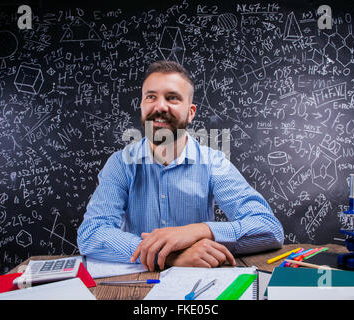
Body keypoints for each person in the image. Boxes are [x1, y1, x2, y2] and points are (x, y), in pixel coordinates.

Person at [77, 60, 283, 271]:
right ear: (142, 106)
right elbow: (91, 232)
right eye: (151, 97)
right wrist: (169, 256)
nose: (159, 106)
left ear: (191, 112)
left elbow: (269, 228)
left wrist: (198, 231)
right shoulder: (121, 164)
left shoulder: (213, 163)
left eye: (172, 98)